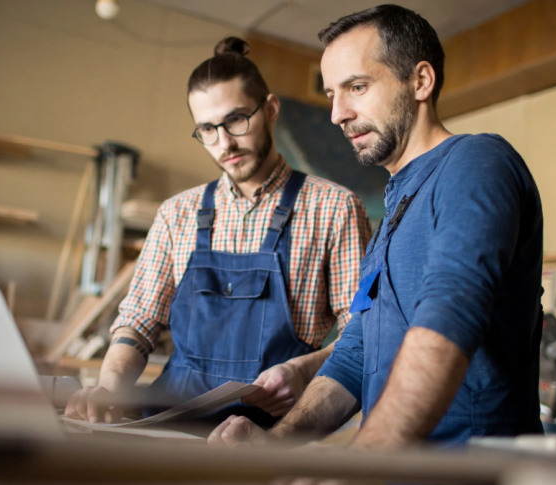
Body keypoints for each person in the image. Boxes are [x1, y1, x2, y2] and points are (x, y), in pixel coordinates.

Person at [208, 5, 544, 448]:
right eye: (331, 94)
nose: (337, 114)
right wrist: (274, 444)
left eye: (357, 87)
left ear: (421, 81)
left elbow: (451, 315)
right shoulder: (394, 210)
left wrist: (360, 463)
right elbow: (355, 354)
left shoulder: (476, 163)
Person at [64, 37, 371, 428]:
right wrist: (108, 387)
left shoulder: (334, 208)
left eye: (236, 120)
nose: (224, 143)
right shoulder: (178, 213)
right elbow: (139, 322)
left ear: (271, 110)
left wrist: (302, 370)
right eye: (207, 129)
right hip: (168, 423)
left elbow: (362, 334)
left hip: (273, 433)